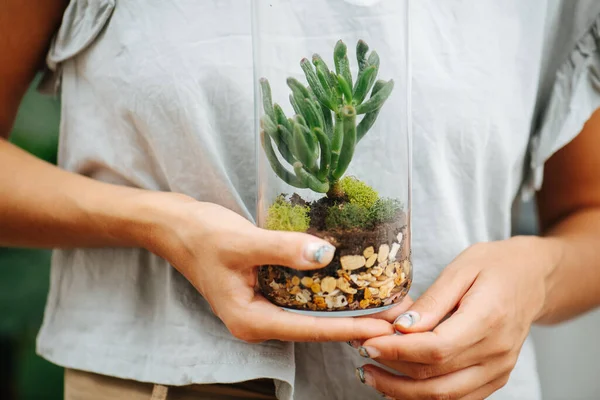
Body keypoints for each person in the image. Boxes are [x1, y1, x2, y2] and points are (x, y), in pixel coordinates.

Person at [3, 0, 600, 399]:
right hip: (174, 381)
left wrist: (538, 277)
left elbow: (588, 213)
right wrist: (166, 224)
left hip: (452, 386)